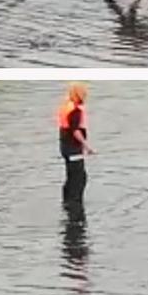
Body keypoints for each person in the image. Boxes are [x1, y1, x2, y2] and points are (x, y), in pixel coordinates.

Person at [58, 83, 95, 214]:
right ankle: (75, 208)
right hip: (73, 149)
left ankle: (66, 203)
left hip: (64, 147)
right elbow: (75, 130)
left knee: (71, 176)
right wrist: (87, 146)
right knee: (79, 178)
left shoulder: (66, 106)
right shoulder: (75, 110)